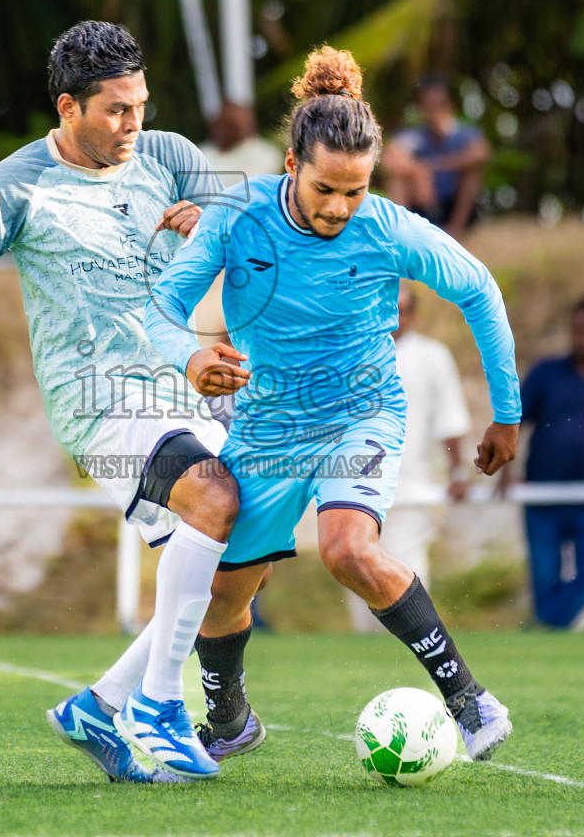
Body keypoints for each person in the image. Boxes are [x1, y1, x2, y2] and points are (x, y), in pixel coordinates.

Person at [0, 21, 265, 783]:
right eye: (116, 110)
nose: (133, 122)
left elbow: (259, 244)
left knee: (245, 559)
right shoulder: (15, 184)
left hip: (184, 390)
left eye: (140, 104)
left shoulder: (170, 156)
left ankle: (99, 707)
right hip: (99, 407)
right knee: (214, 501)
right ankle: (158, 706)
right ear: (69, 108)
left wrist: (218, 224)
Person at [145, 45, 521, 762]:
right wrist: (189, 357)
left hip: (361, 412)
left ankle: (471, 702)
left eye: (356, 190)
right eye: (325, 189)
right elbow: (162, 306)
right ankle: (229, 719)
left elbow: (479, 290)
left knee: (349, 549)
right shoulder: (237, 216)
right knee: (224, 593)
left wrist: (506, 412)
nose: (341, 207)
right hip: (268, 425)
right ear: (292, 164)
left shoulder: (388, 226)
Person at [503, 297, 584, 628]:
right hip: (543, 496)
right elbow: (513, 420)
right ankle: (544, 638)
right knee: (544, 579)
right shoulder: (546, 373)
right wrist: (507, 467)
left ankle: (541, 628)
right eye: (579, 329)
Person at [347, 280, 472, 632]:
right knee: (357, 574)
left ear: (413, 314)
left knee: (409, 573)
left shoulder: (432, 357)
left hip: (410, 488)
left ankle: (419, 647)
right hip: (353, 490)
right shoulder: (352, 353)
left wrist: (458, 473)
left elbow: (450, 420)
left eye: (400, 310)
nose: (393, 317)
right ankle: (364, 654)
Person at [382, 77, 490, 238]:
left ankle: (456, 233)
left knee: (472, 174)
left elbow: (481, 154)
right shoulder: (415, 134)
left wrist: (440, 164)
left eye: (438, 104)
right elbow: (389, 160)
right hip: (421, 203)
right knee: (398, 178)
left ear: (450, 104)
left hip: (452, 203)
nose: (433, 111)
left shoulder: (465, 133)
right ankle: (402, 233)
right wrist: (419, 171)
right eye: (428, 105)